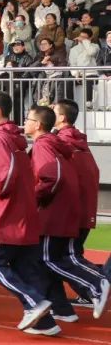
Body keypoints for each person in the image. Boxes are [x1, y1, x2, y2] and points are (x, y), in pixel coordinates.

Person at [0, 92, 58, 335]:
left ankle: (35, 303)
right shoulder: (15, 139)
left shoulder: (1, 139)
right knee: (27, 267)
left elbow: (2, 181)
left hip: (6, 215)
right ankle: (46, 322)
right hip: (22, 213)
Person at [26, 105, 108, 323]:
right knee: (61, 257)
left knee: (50, 259)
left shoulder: (50, 144)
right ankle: (62, 308)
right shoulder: (73, 144)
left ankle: (98, 282)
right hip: (75, 210)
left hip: (58, 211)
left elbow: (52, 177)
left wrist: (32, 199)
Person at [53, 100, 101, 286]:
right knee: (70, 255)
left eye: (54, 111)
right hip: (84, 208)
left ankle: (98, 284)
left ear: (62, 117)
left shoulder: (63, 143)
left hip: (72, 211)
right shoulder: (79, 142)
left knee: (66, 257)